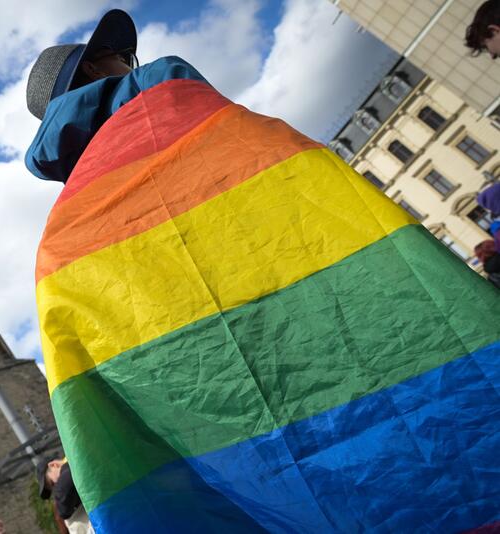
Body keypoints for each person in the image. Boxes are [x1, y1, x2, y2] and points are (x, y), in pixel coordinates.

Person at [26, 7, 500, 534]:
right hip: (405, 408)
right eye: (120, 57)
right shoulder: (205, 120)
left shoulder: (58, 248)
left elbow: (103, 427)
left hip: (253, 477)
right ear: (95, 71)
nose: (128, 63)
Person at [37, 457, 93, 534]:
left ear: (53, 465)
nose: (55, 488)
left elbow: (63, 510)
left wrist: (58, 510)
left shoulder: (72, 461)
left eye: (52, 483)